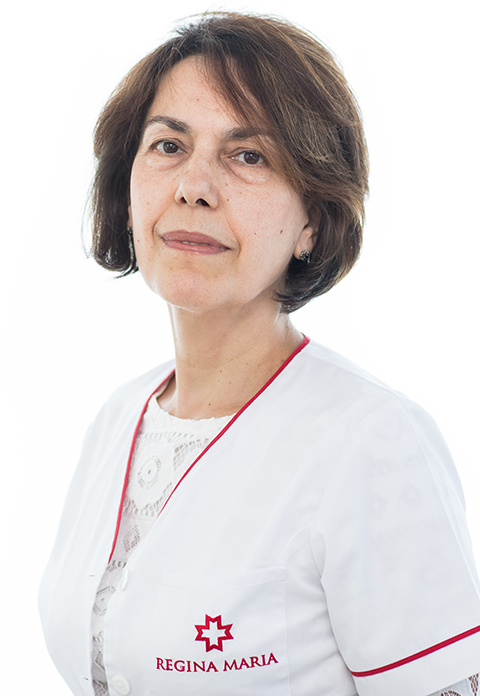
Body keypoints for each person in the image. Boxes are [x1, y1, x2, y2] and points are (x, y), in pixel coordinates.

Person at [39, 11, 480, 696]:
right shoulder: (116, 420)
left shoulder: (373, 443)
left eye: (249, 156)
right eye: (168, 146)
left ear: (313, 220)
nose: (193, 186)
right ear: (126, 193)